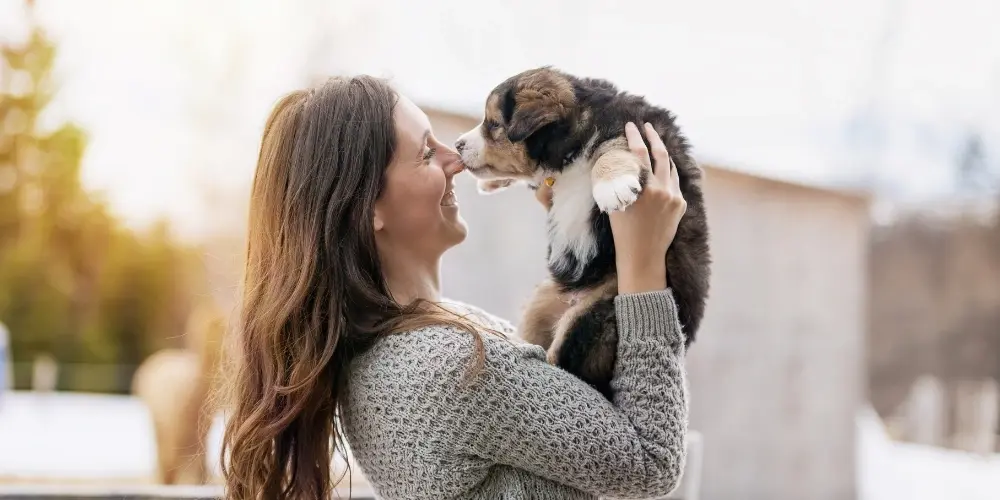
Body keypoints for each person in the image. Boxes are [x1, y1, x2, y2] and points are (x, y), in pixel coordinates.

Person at [219, 75, 690, 500]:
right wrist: (644, 268)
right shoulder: (453, 365)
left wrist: (577, 214)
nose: (455, 160)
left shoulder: (412, 346)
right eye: (426, 152)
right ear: (368, 212)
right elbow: (651, 461)